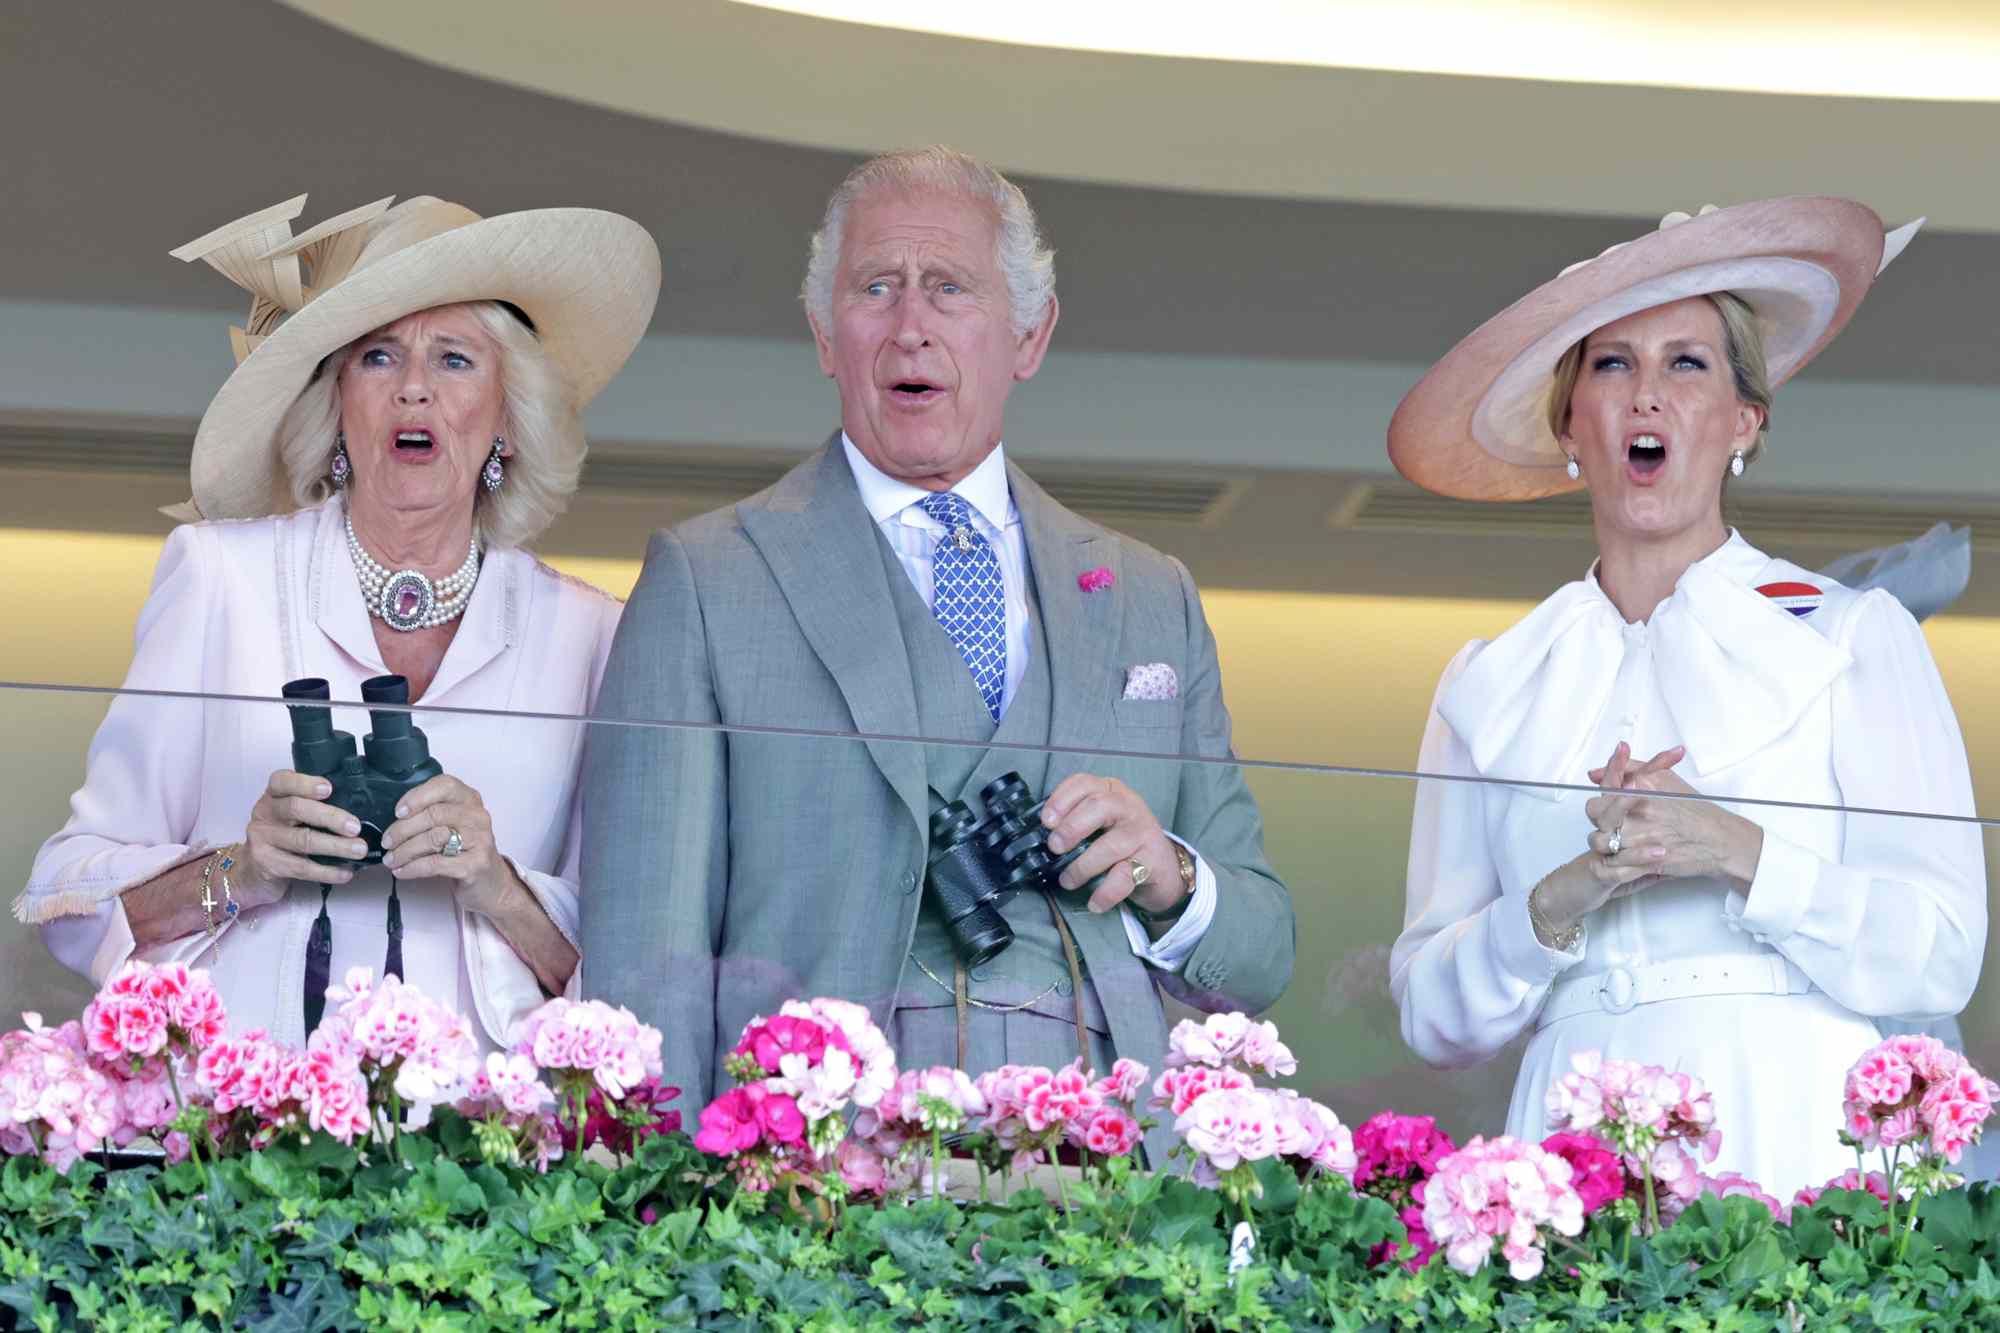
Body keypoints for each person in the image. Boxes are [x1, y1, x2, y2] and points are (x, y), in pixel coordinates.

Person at [582, 147, 1294, 1142]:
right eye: (876, 287)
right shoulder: (709, 578)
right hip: (817, 1179)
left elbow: (1258, 959)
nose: (909, 325)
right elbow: (641, 963)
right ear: (824, 334)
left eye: (948, 287)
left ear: (1029, 334)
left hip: (1106, 1176)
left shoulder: (1147, 594)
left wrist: (1169, 871)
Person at [1386, 199, 1986, 1196]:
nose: (1644, 397)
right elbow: (1431, 1012)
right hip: (1567, 1135)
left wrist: (1732, 849)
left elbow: (1936, 952)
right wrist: (1561, 895)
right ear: (1569, 421)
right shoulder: (1488, 680)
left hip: (1791, 1110)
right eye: (1610, 364)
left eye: (1686, 363)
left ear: (1743, 420)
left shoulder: (1846, 634)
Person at [19, 192, 660, 1049]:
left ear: (508, 419)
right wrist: (240, 869)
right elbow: (65, 890)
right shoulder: (222, 578)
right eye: (379, 357)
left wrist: (495, 882)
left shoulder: (589, 633)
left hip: (481, 1146)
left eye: (456, 359)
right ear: (336, 409)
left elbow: (631, 964)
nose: (416, 389)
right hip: (237, 1119)